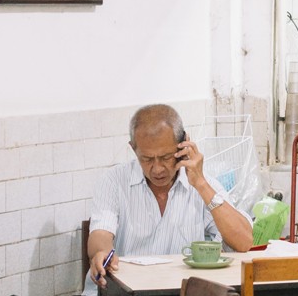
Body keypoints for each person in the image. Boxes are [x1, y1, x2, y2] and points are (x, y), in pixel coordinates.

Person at [88, 103, 254, 285]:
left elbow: (243, 242)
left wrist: (201, 184)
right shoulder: (114, 181)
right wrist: (101, 253)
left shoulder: (201, 184)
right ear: (133, 148)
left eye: (166, 157)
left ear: (184, 144)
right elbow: (101, 233)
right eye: (147, 159)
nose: (157, 169)